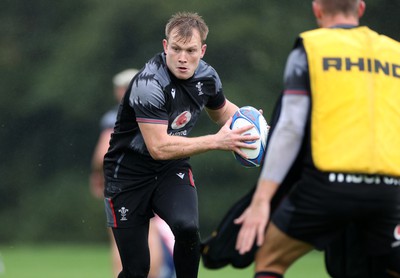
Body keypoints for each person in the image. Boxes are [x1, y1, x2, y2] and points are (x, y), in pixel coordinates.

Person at [235, 0, 400, 277]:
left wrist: (262, 199)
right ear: (360, 8)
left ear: (317, 9)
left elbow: (290, 128)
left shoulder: (311, 49)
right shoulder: (394, 53)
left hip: (329, 187)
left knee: (270, 259)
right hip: (389, 189)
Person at [103, 12, 259, 278]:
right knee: (137, 269)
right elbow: (159, 147)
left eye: (191, 50)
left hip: (169, 170)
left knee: (187, 228)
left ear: (203, 50)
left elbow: (222, 113)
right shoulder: (148, 84)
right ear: (165, 47)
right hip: (127, 176)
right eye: (176, 49)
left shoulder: (207, 77)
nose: (183, 58)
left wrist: (254, 124)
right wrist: (217, 141)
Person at [90, 69, 176, 278]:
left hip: (122, 184)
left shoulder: (114, 117)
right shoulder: (151, 112)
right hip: (143, 182)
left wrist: (98, 176)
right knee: (147, 234)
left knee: (121, 238)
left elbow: (102, 154)